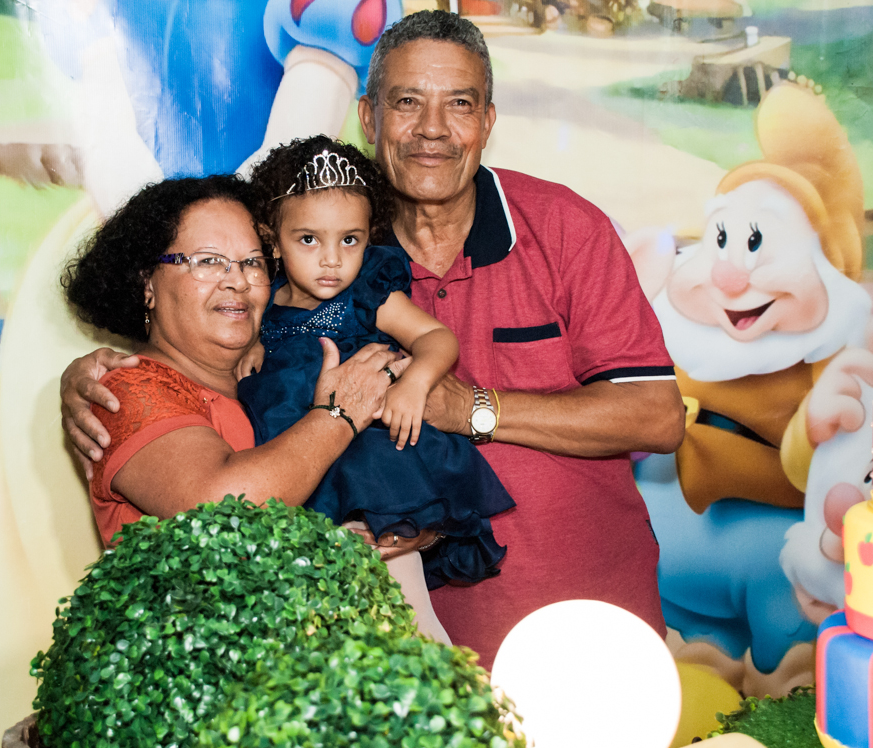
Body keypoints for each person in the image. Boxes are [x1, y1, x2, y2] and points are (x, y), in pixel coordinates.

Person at [62, 11, 687, 669]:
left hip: (591, 627)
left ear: (488, 122)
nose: (433, 129)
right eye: (407, 102)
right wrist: (93, 371)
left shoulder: (565, 229)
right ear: (368, 116)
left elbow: (656, 415)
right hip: (387, 659)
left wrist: (472, 408)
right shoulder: (324, 241)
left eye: (460, 105)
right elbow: (195, 296)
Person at [59, 173, 406, 548]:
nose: (237, 281)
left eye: (253, 263)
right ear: (147, 283)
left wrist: (408, 526)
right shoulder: (124, 390)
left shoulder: (283, 377)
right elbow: (223, 508)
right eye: (208, 261)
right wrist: (340, 415)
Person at [238, 134, 513, 604]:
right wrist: (251, 346)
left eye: (351, 240)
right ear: (273, 241)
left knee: (399, 601)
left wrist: (416, 384)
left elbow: (436, 338)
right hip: (299, 462)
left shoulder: (367, 295)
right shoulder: (262, 306)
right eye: (308, 239)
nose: (332, 259)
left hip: (378, 464)